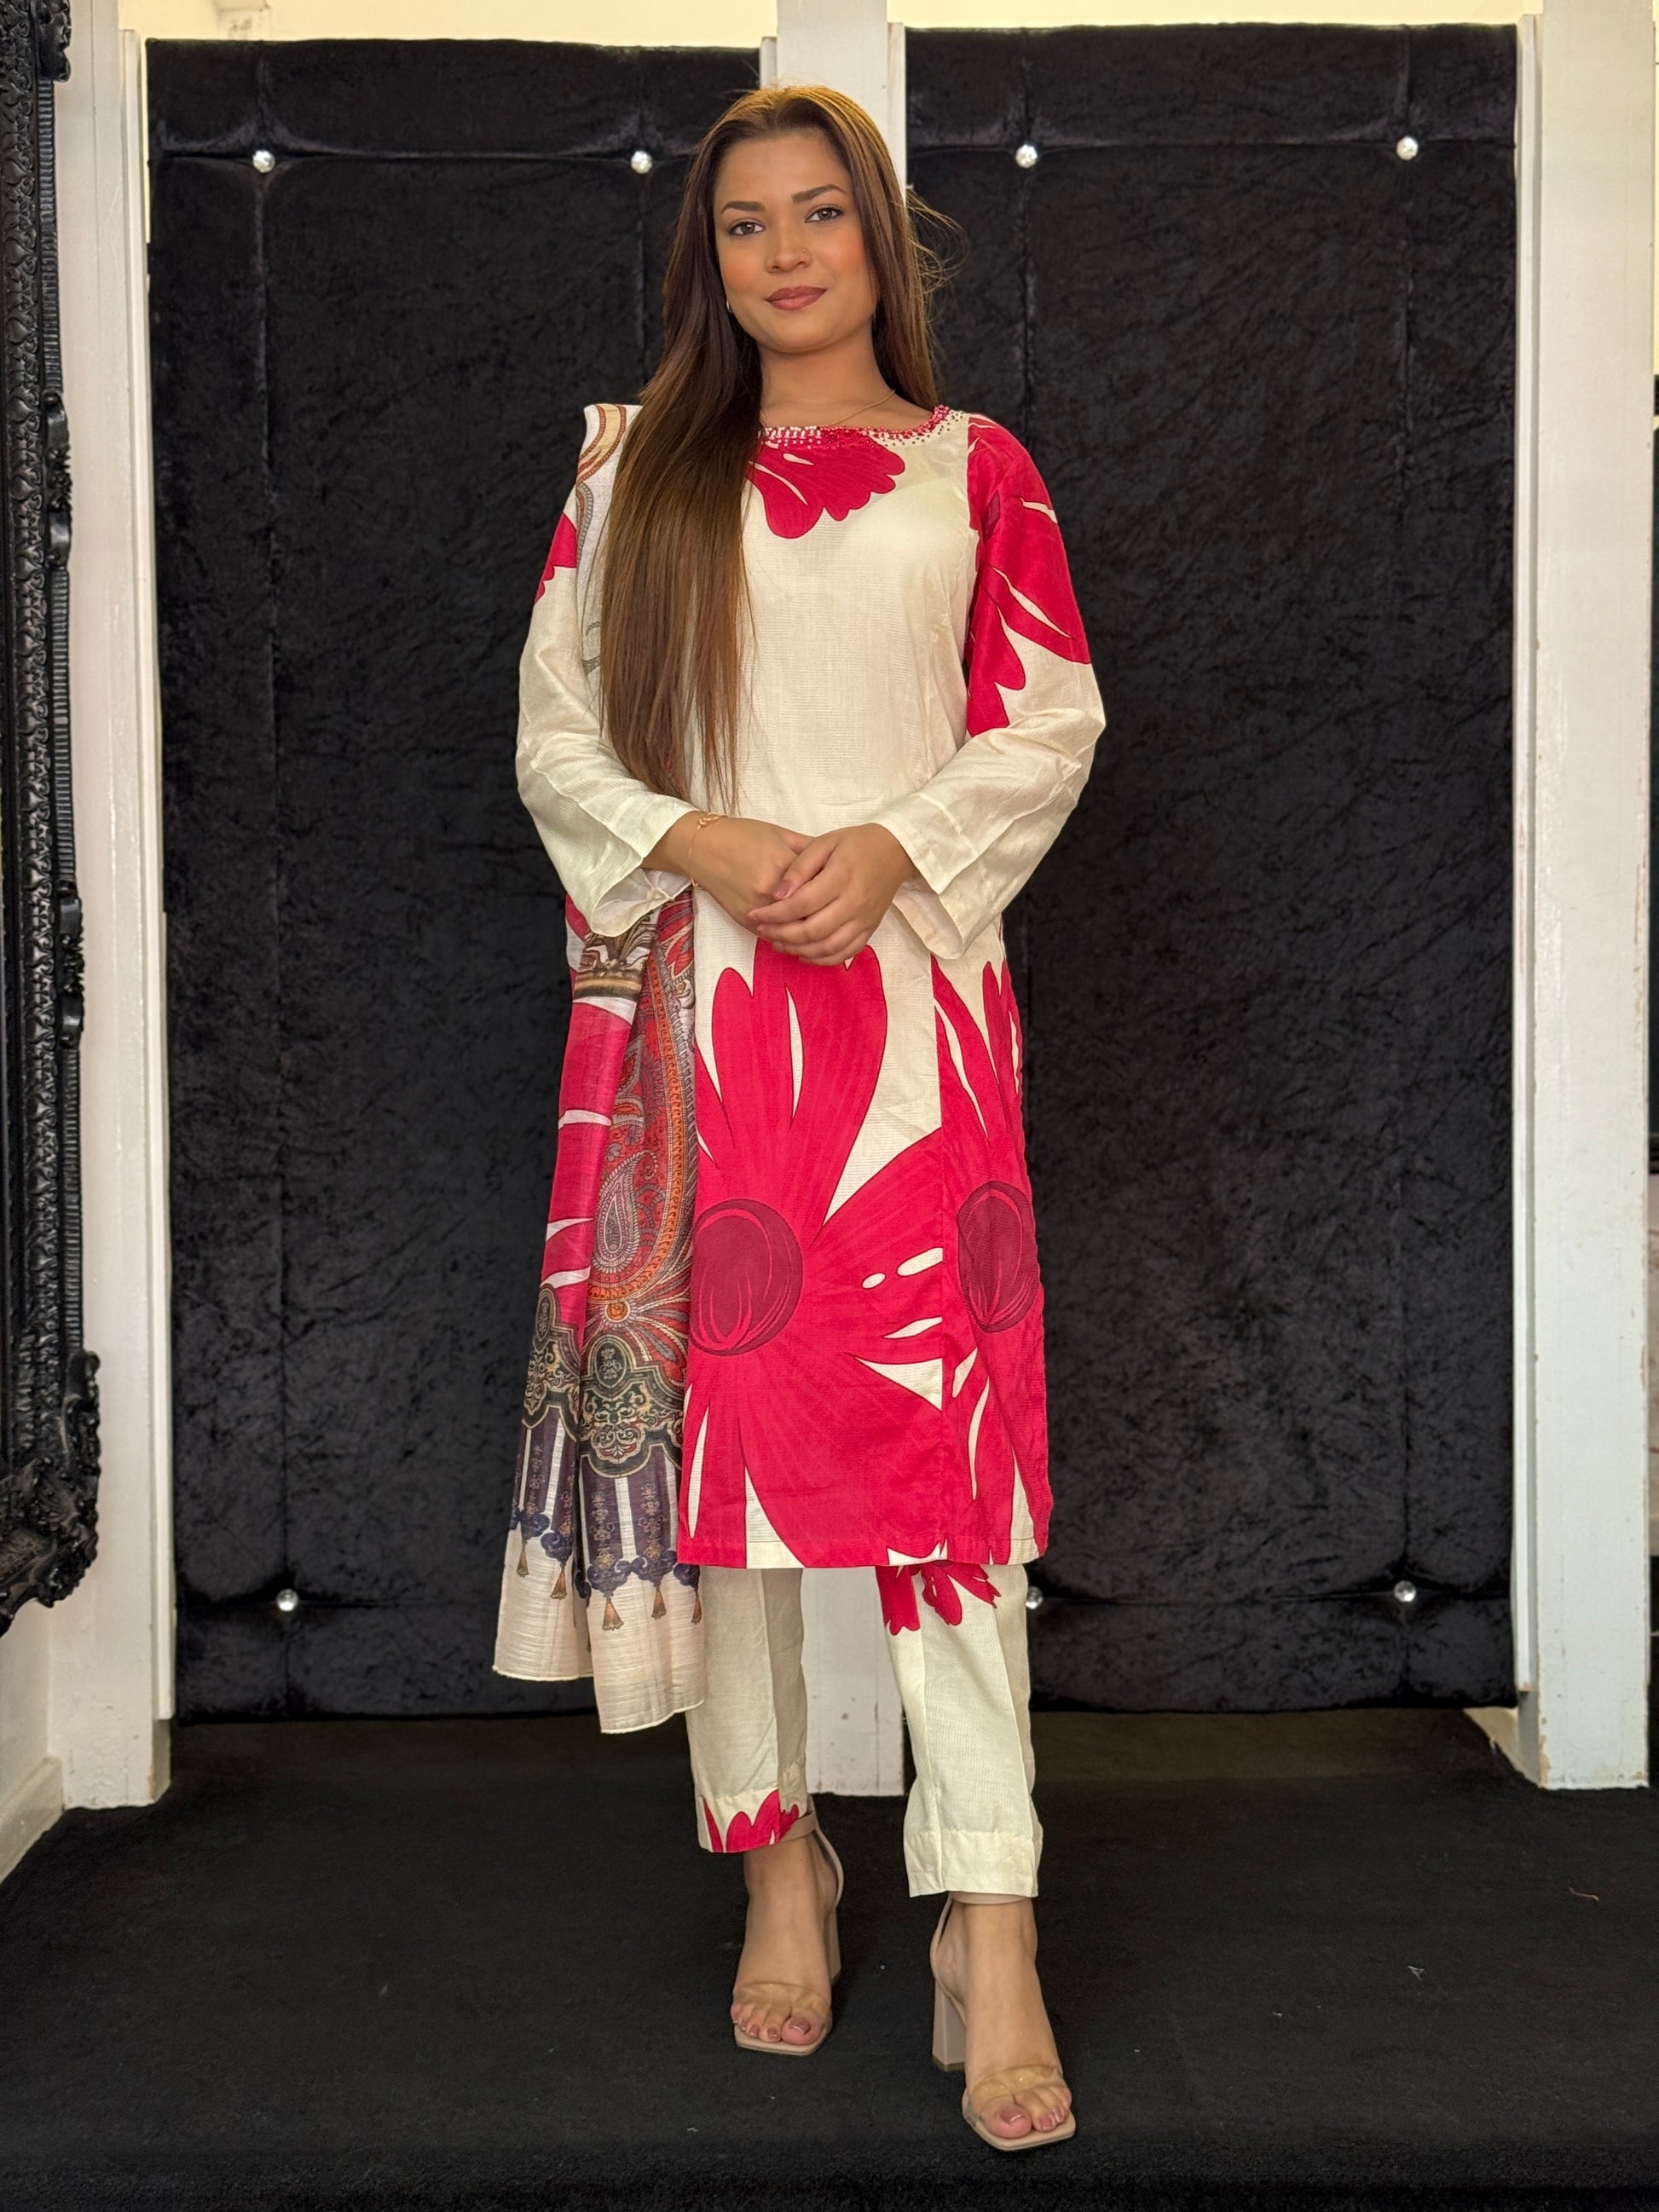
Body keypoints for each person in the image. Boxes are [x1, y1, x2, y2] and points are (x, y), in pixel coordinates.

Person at [493, 81, 1104, 2154]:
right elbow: (557, 736)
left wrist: (895, 840)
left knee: (951, 1472)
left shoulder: (977, 469)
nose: (782, 252)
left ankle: (990, 1911)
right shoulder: (632, 473)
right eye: (743, 222)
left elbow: (1048, 720)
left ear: (882, 238)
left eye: (819, 212)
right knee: (727, 1476)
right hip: (706, 1023)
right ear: (709, 257)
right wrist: (714, 839)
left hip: (920, 1015)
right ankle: (776, 1855)